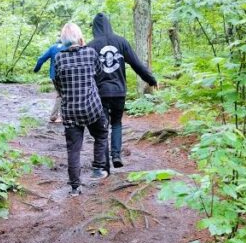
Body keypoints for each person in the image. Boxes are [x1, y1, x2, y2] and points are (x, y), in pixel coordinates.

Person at [87, 13, 158, 168]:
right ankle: (116, 155)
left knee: (102, 127)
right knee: (117, 123)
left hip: (100, 93)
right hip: (119, 91)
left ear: (95, 27)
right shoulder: (121, 42)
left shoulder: (91, 46)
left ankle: (103, 163)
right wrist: (151, 79)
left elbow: (85, 71)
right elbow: (136, 64)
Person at [53, 23, 109, 196]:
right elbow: (99, 74)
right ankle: (98, 168)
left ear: (63, 39)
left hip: (70, 111)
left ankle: (75, 188)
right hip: (91, 107)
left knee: (73, 149)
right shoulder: (90, 53)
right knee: (101, 134)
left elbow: (58, 85)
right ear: (79, 36)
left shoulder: (59, 58)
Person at [33, 30, 73, 122]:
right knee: (65, 95)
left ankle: (55, 116)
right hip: (66, 75)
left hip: (54, 75)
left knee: (60, 94)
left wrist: (36, 69)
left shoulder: (53, 48)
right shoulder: (69, 47)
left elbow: (41, 59)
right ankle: (61, 116)